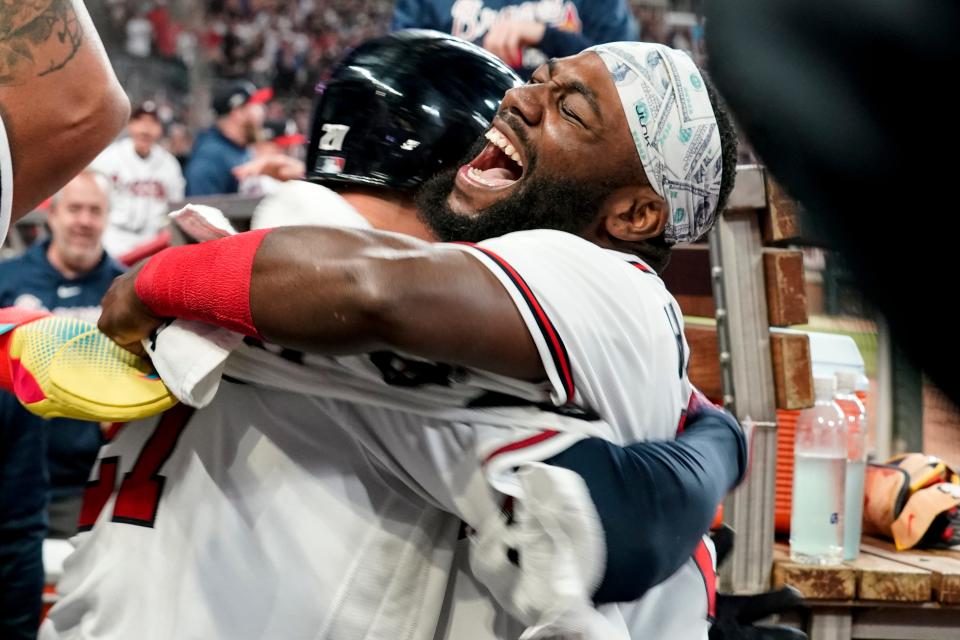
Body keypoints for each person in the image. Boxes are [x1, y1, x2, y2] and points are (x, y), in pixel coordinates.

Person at [48, 34, 741, 639]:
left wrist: (151, 284)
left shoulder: (599, 282)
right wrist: (711, 445)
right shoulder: (297, 281)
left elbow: (368, 292)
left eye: (570, 109)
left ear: (636, 212)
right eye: (542, 80)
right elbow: (618, 518)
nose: (524, 99)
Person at [0, 3, 130, 635]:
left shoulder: (126, 289)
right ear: (50, 213)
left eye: (94, 212)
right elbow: (91, 107)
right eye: (73, 208)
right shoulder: (12, 282)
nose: (83, 221)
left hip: (84, 476)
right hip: (32, 468)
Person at [392, 0, 639, 77]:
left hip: (565, 144)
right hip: (459, 140)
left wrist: (544, 35)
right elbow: (401, 64)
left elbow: (625, 72)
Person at [90, 101, 185, 257]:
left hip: (153, 242)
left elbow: (176, 207)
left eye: (153, 122)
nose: (145, 129)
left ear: (160, 129)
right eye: (140, 120)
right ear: (130, 125)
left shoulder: (169, 165)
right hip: (113, 238)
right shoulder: (108, 158)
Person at [183, 82, 270, 196]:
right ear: (238, 113)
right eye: (256, 104)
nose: (262, 111)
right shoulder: (210, 156)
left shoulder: (239, 148)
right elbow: (201, 209)